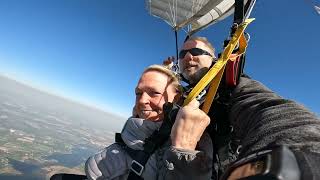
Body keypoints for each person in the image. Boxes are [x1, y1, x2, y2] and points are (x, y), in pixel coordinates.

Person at [161, 36, 320, 179]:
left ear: (214, 59)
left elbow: (266, 108)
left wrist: (302, 150)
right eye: (182, 54)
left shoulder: (231, 86)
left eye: (196, 51)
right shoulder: (183, 94)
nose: (188, 56)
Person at [84, 64, 213, 180]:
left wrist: (184, 150)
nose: (142, 100)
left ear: (178, 97)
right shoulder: (136, 131)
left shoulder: (196, 142)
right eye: (138, 93)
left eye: (155, 93)